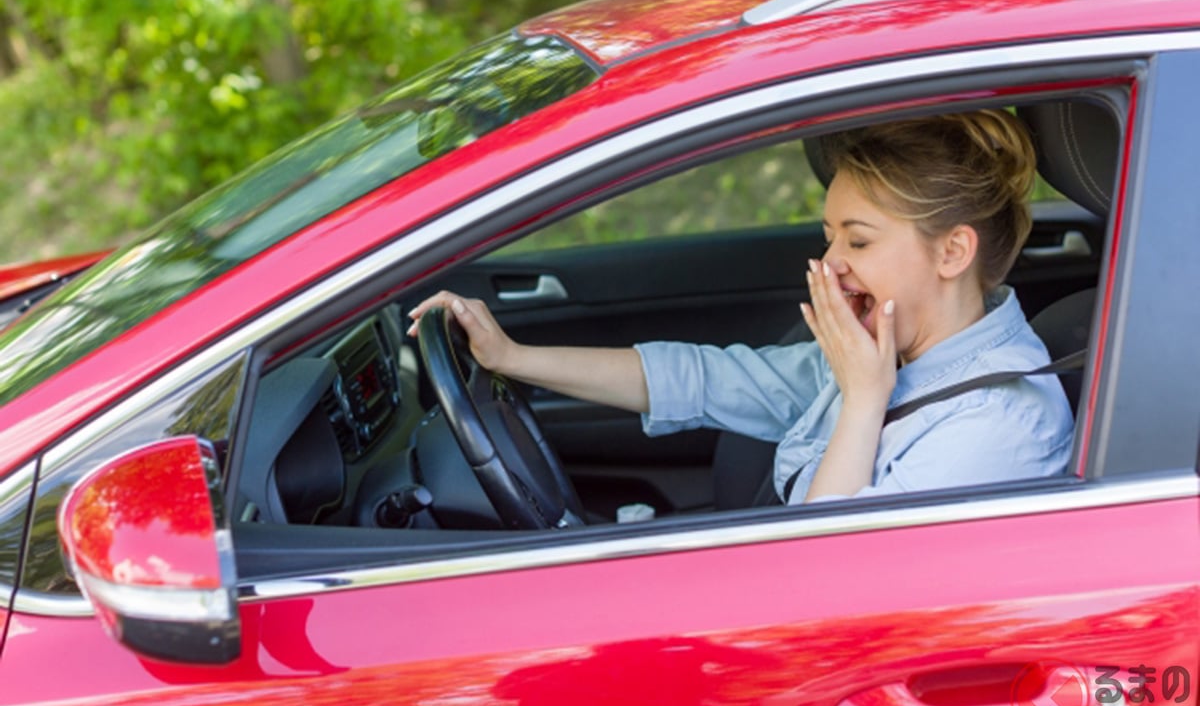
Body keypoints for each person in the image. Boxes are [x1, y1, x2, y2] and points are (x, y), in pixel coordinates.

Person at [408, 110, 1075, 505]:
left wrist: (865, 401)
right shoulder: (885, 351)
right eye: (828, 236)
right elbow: (701, 379)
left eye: (859, 239)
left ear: (952, 252)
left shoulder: (1000, 421)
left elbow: (834, 587)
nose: (830, 263)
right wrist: (512, 358)